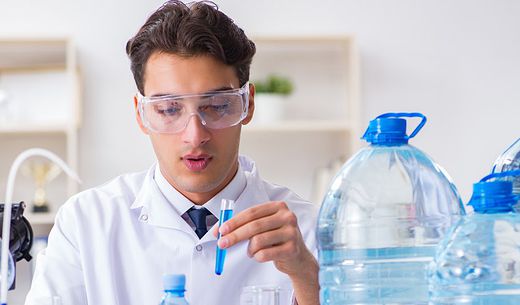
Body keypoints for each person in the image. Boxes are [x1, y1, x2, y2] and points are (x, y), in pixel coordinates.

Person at [25, 1, 319, 305]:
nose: (195, 135)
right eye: (168, 109)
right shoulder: (86, 222)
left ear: (247, 104)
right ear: (141, 114)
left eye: (217, 106)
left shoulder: (308, 230)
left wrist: (307, 277)